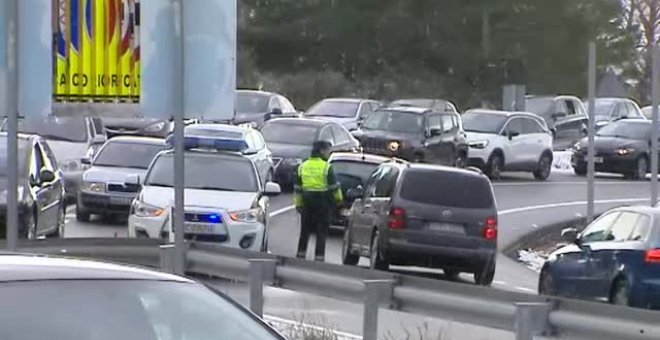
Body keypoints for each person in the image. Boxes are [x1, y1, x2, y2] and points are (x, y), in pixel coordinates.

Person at [293, 140, 343, 261]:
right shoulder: (327, 167)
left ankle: (300, 255)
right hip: (323, 203)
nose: (328, 153)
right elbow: (335, 188)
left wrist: (299, 205)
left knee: (305, 231)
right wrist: (339, 201)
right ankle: (319, 258)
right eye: (327, 150)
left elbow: (298, 189)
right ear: (321, 151)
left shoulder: (303, 166)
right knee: (321, 232)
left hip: (307, 203)